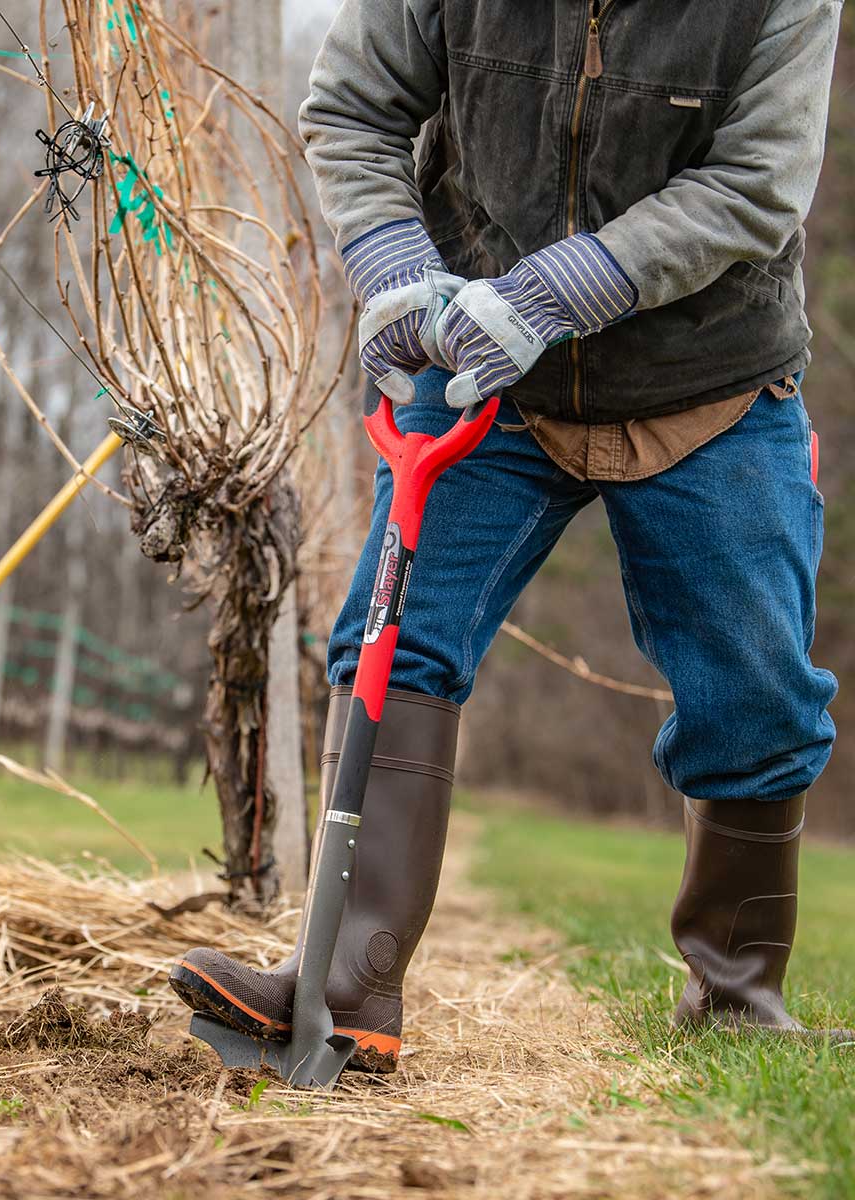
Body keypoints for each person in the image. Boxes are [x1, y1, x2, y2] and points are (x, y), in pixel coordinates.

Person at [170, 0, 846, 1072]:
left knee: (756, 694)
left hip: (706, 382)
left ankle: (735, 997)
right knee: (396, 645)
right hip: (489, 373)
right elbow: (352, 105)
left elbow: (754, 185)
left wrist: (552, 293)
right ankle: (349, 983)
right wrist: (394, 269)